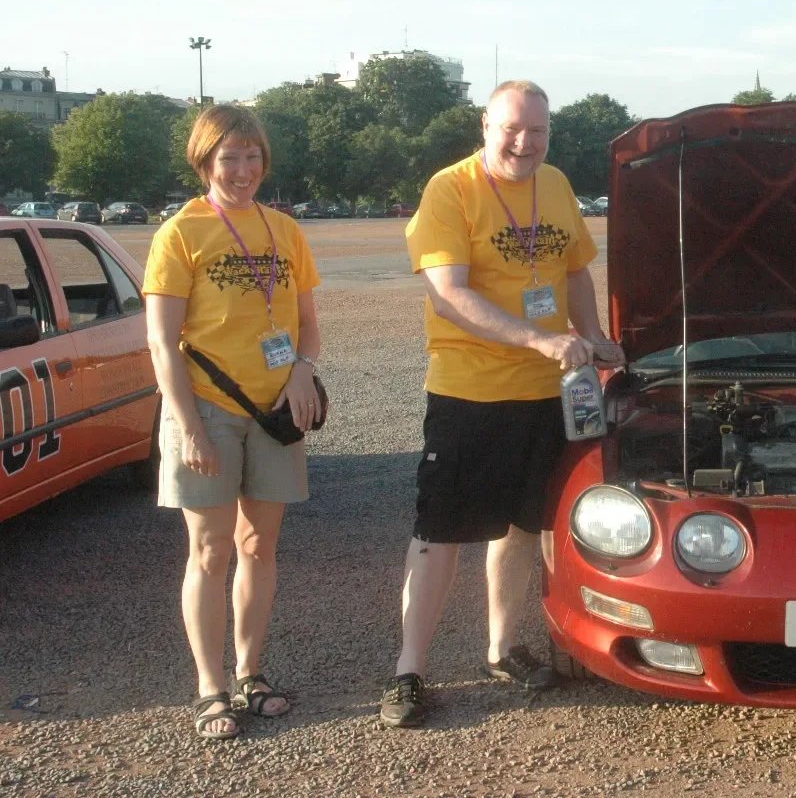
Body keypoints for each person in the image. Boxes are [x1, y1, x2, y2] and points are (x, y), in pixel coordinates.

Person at [379, 79, 623, 729]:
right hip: (471, 391)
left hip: (547, 393)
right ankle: (408, 671)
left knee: (523, 528)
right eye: (512, 129)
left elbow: (574, 269)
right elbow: (448, 293)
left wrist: (593, 338)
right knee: (439, 536)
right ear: (486, 126)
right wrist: (540, 340)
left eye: (538, 132)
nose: (525, 142)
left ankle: (502, 647)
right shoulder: (450, 190)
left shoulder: (556, 185)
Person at [143, 104, 325, 740]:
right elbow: (164, 343)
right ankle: (210, 687)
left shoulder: (284, 230)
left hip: (276, 412)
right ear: (205, 161)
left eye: (252, 157)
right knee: (211, 550)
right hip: (208, 410)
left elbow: (308, 324)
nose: (243, 170)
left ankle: (250, 673)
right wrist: (188, 425)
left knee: (259, 546)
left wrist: (303, 368)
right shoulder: (181, 233)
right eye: (230, 158)